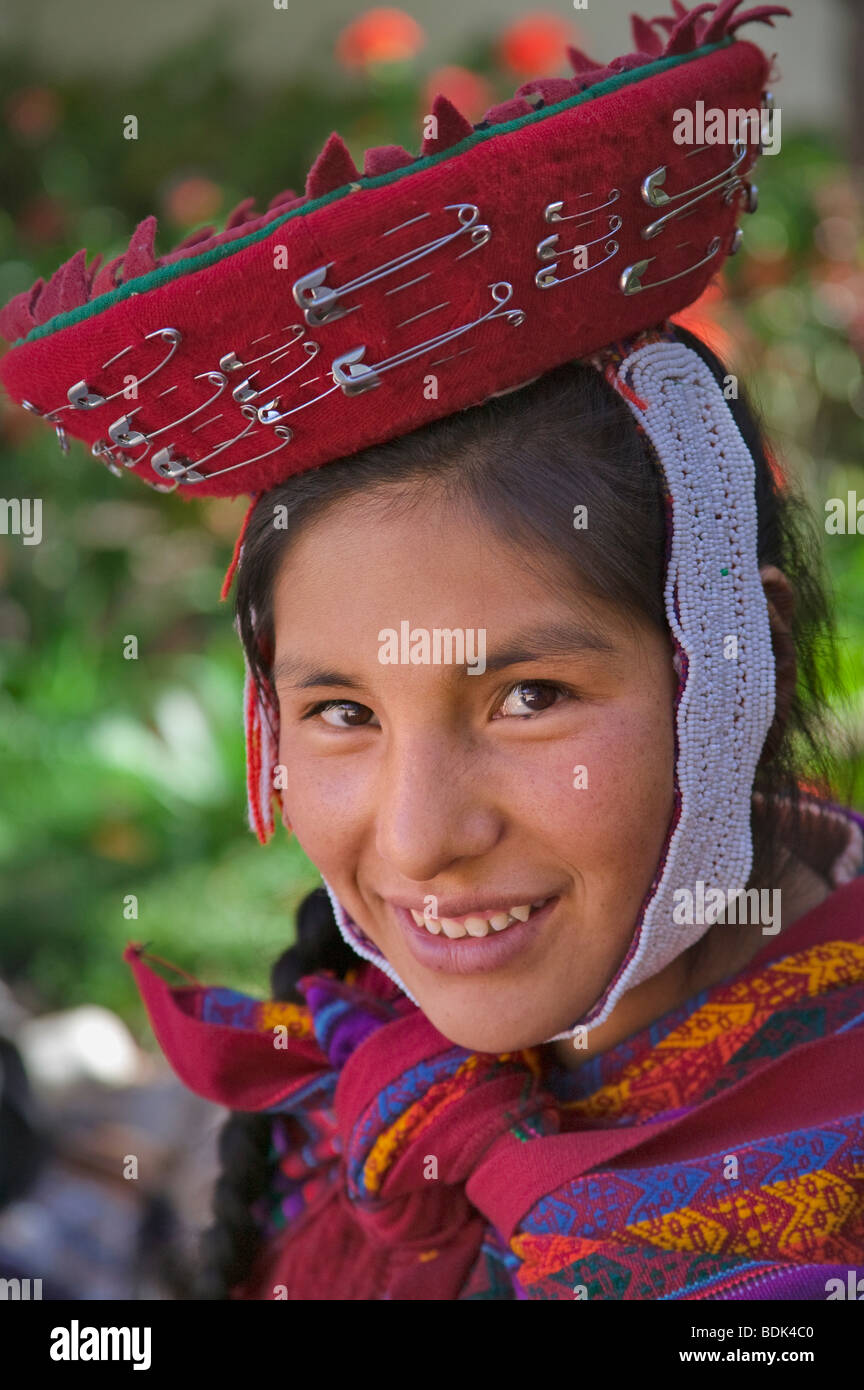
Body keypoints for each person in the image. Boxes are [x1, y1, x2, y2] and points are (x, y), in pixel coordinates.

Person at [3, 0, 863, 1301]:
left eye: (528, 695)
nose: (416, 840)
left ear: (734, 663)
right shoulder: (356, 1084)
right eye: (342, 711)